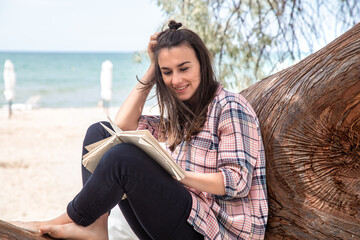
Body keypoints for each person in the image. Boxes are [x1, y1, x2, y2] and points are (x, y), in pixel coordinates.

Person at [13, 20, 268, 240]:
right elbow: (121, 126)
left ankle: (63, 219)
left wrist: (177, 173)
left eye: (184, 68)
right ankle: (95, 228)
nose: (175, 80)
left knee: (123, 157)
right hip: (181, 219)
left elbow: (237, 182)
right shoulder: (181, 116)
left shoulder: (230, 106)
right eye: (167, 72)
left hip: (215, 231)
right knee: (99, 133)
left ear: (202, 63)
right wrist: (151, 71)